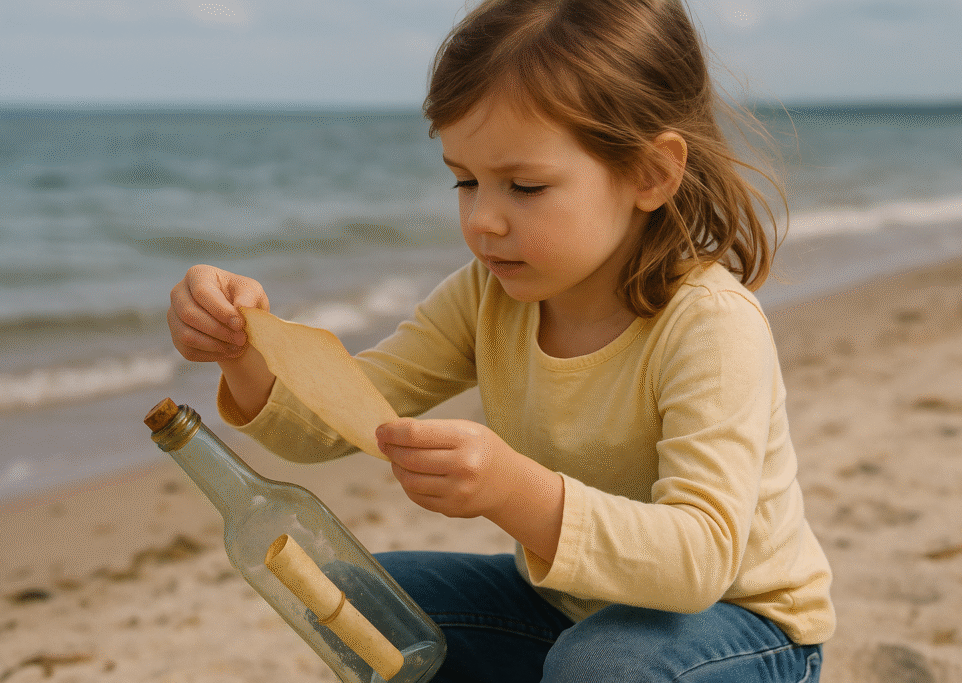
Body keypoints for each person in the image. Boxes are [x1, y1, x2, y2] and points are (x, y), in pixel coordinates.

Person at [167, 0, 834, 680]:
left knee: (600, 664)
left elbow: (699, 560)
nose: (483, 219)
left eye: (525, 186)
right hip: (569, 609)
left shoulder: (709, 325)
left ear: (650, 174)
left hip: (741, 627)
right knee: (357, 602)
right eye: (465, 180)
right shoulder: (488, 296)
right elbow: (336, 421)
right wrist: (242, 349)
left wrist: (514, 489)